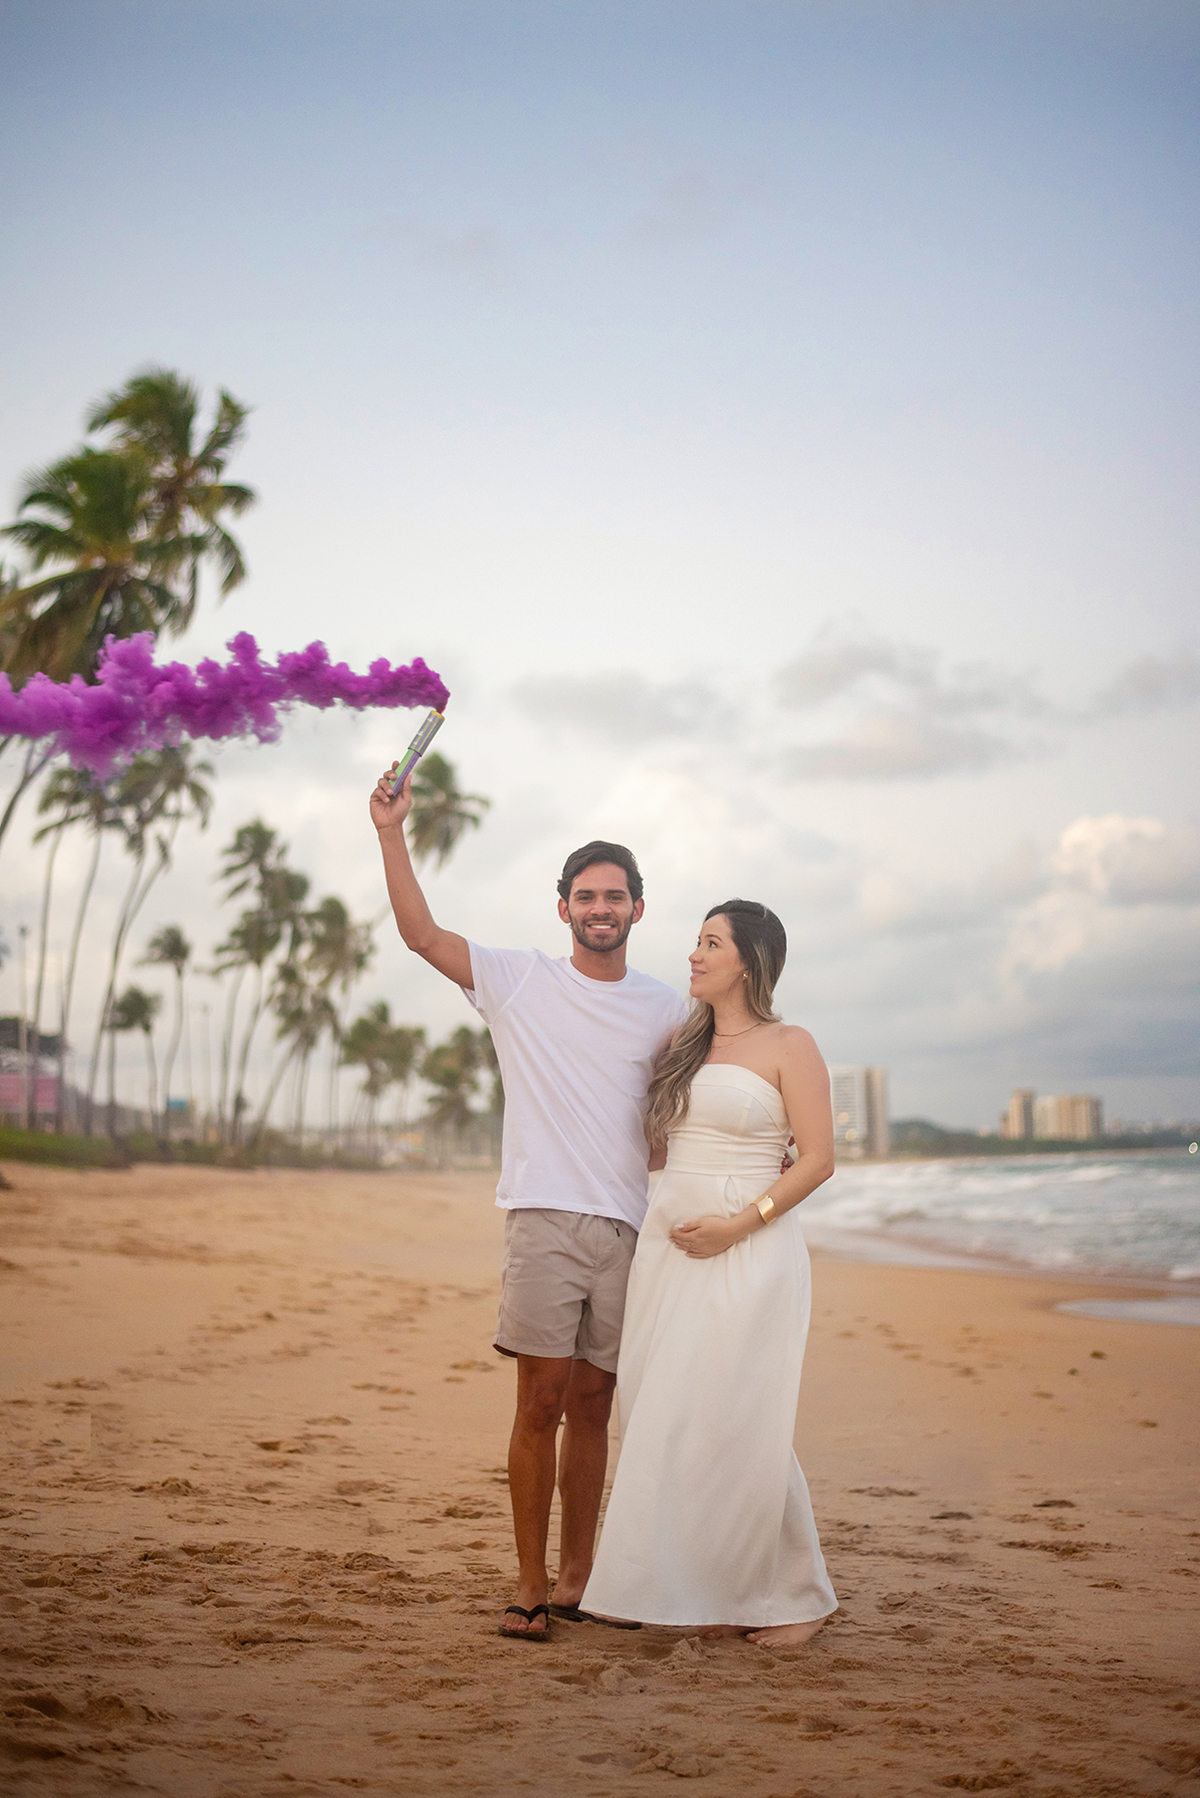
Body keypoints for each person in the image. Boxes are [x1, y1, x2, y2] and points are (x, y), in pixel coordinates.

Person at [370, 767, 687, 1641]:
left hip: (628, 1228)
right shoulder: (519, 981)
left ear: (637, 909)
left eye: (615, 895)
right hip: (544, 1219)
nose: (600, 907)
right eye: (585, 895)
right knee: (538, 1403)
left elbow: (693, 1099)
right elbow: (422, 935)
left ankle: (582, 1577)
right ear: (562, 909)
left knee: (594, 1407)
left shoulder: (665, 1007)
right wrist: (391, 831)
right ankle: (529, 1580)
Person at [580, 899, 839, 1646]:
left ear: (749, 962)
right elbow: (665, 1151)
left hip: (749, 1251)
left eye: (711, 943)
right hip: (670, 1252)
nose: (693, 955)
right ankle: (670, 1583)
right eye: (696, 941)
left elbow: (817, 1159)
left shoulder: (791, 1043)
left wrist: (738, 1224)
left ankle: (796, 1596)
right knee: (663, 1411)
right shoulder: (685, 1046)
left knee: (736, 1414)